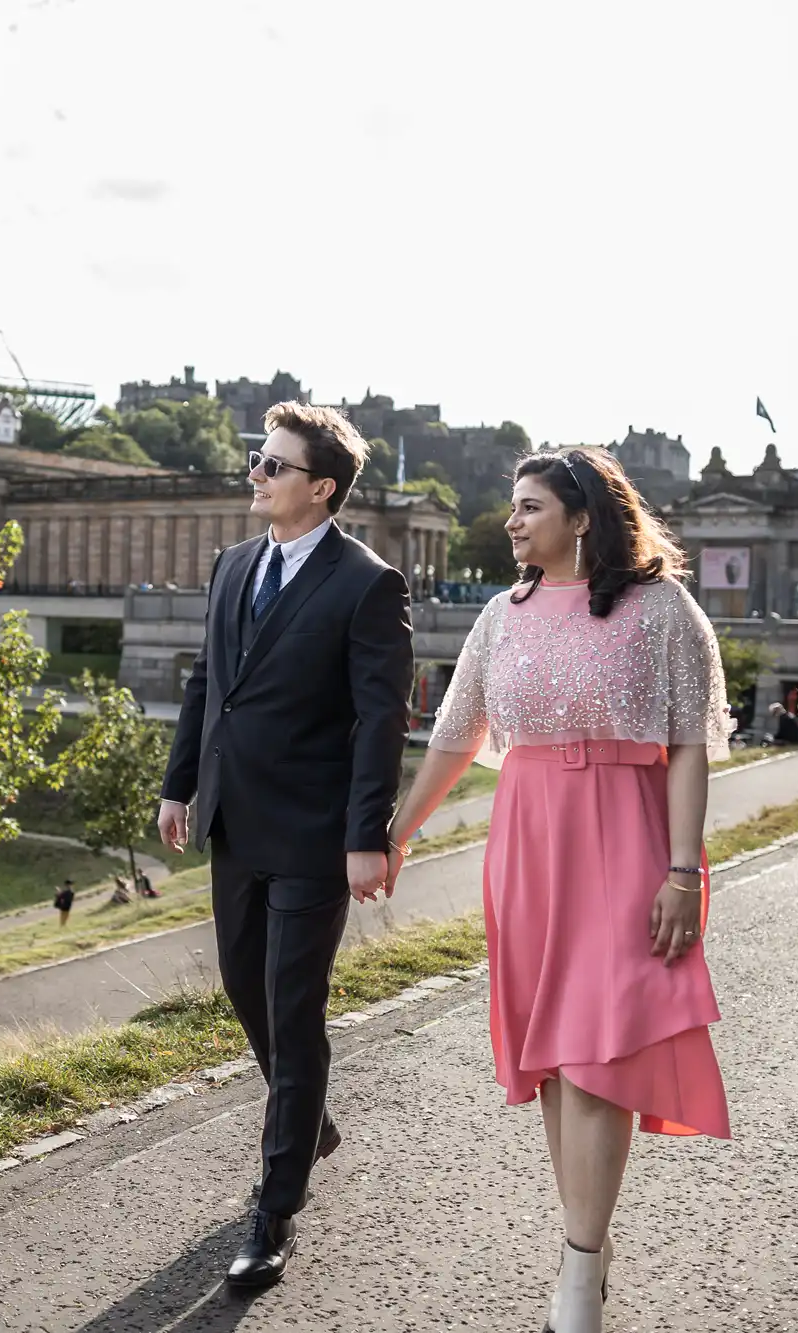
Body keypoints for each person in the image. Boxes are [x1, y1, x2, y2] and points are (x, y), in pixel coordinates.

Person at [385, 447, 731, 1333]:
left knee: (600, 1054)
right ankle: (587, 1247)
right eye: (512, 505)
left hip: (628, 838)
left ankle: (579, 1267)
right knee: (551, 1058)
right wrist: (396, 832)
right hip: (529, 845)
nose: (510, 520)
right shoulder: (501, 615)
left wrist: (684, 869)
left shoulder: (663, 612)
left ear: (583, 518)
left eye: (529, 505)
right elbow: (457, 737)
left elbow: (689, 742)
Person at [158, 401, 412, 1291]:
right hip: (234, 821)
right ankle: (311, 1124)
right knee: (242, 985)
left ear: (321, 487)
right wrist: (177, 781)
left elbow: (383, 720)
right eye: (256, 462)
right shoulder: (232, 565)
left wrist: (364, 835)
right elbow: (207, 685)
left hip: (314, 838)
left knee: (292, 1010)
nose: (256, 477)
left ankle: (273, 1208)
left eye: (272, 466)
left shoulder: (367, 584)